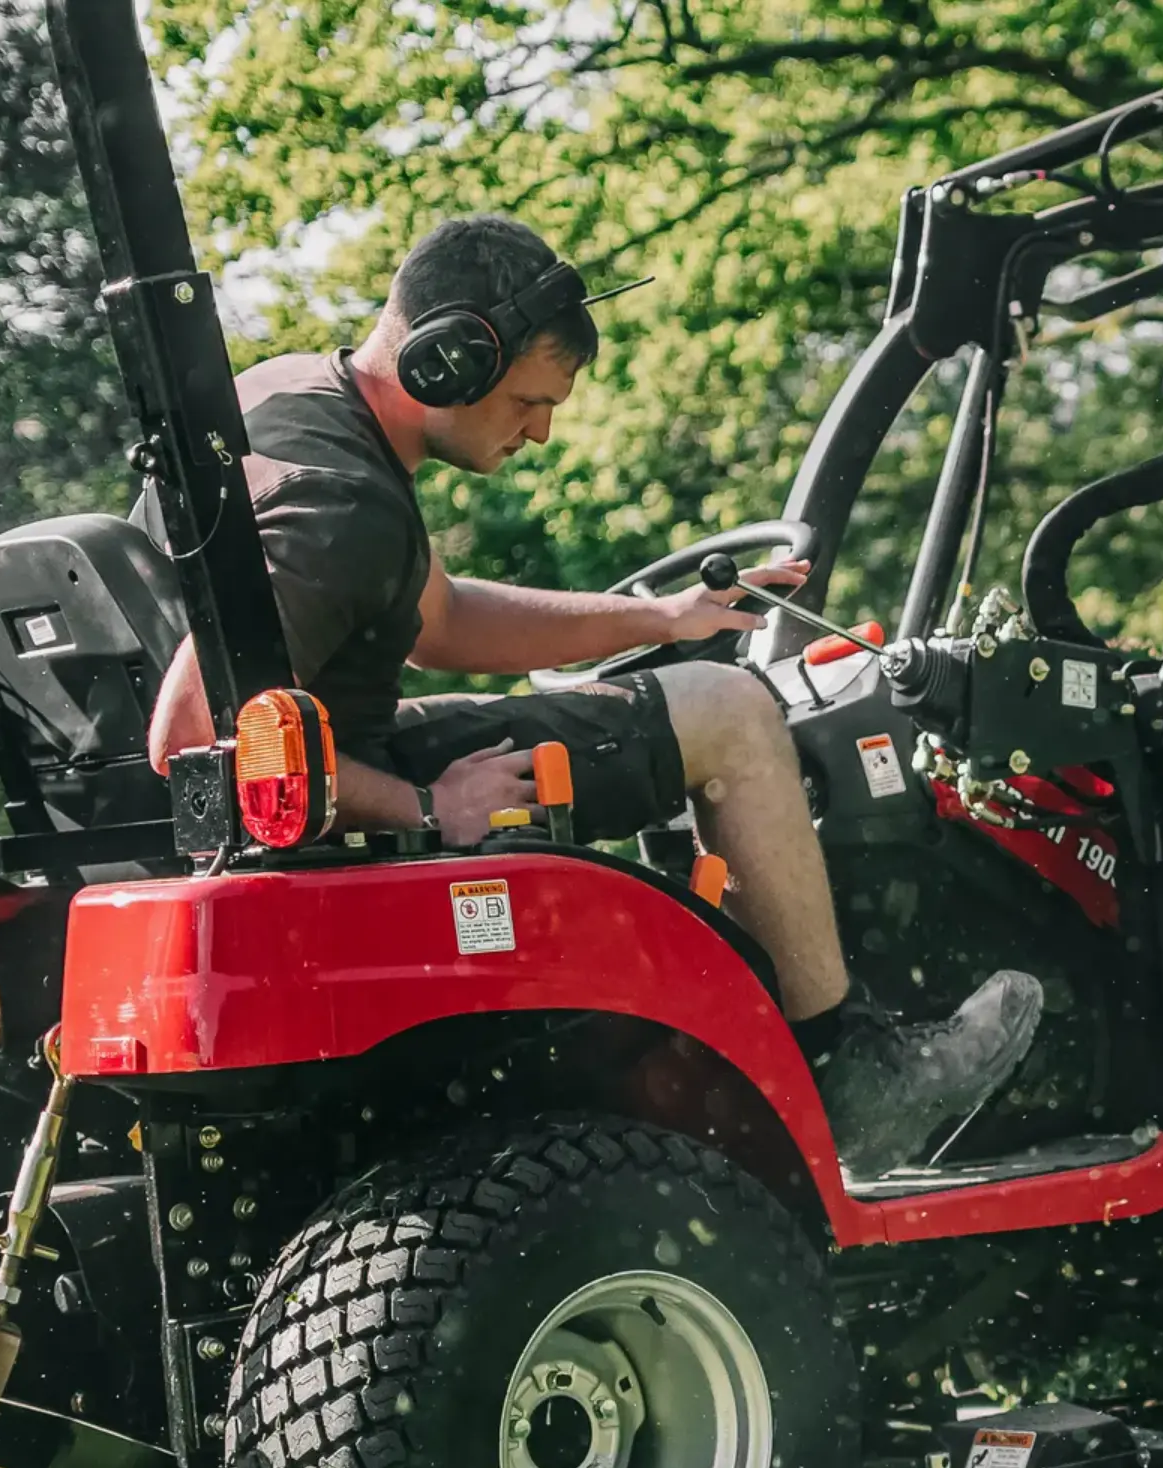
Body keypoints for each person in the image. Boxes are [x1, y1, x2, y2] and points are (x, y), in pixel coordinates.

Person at [146, 214, 1039, 1177]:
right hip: (338, 800)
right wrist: (424, 807)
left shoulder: (283, 396)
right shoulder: (344, 509)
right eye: (531, 399)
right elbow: (193, 740)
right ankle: (846, 1073)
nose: (541, 429)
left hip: (326, 766)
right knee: (731, 713)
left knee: (683, 688)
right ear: (451, 358)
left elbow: (437, 617)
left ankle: (711, 1049)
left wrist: (658, 621)